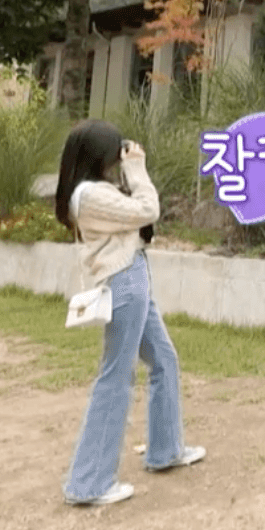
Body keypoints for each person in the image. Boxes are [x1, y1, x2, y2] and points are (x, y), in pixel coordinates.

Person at [54, 119, 205, 507]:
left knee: (164, 359)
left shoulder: (97, 190)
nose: (117, 159)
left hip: (133, 279)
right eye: (113, 154)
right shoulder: (89, 195)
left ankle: (166, 450)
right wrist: (137, 169)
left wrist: (129, 172)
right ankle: (89, 483)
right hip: (124, 284)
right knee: (116, 376)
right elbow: (148, 208)